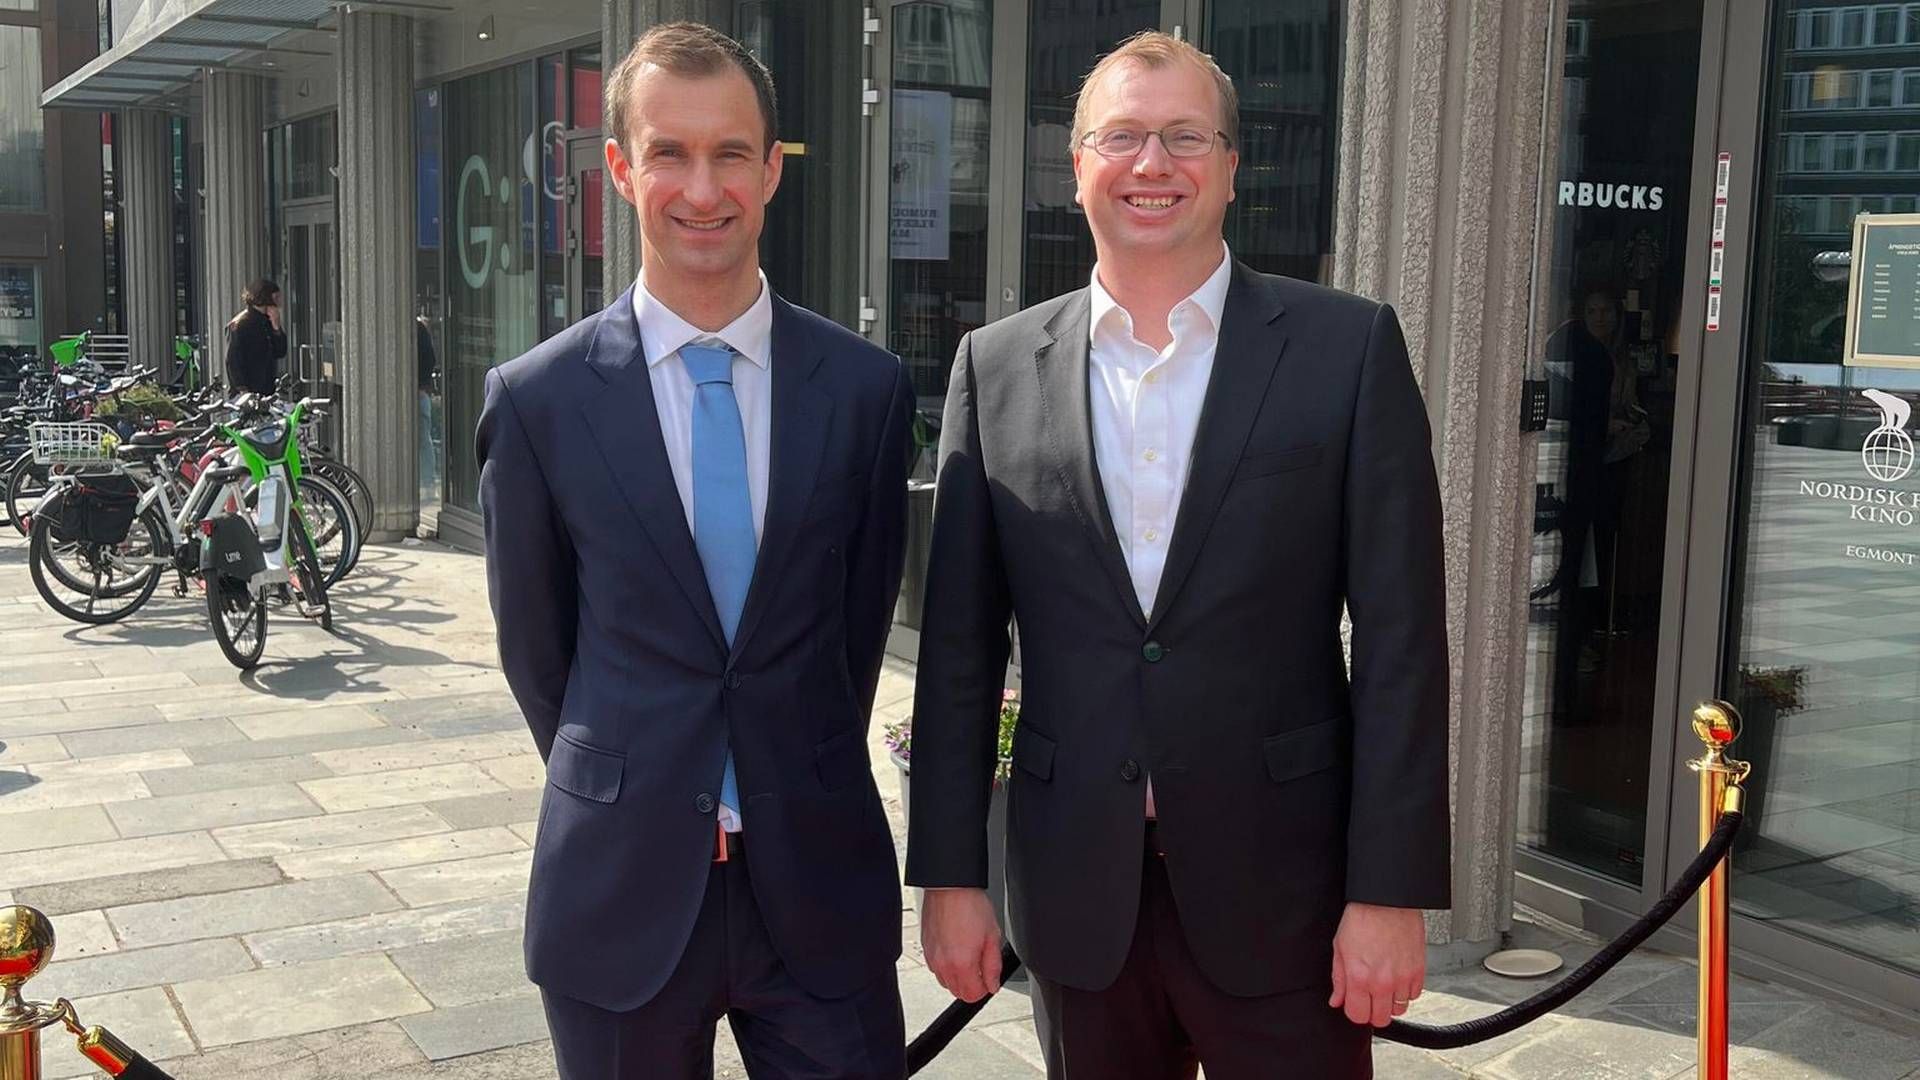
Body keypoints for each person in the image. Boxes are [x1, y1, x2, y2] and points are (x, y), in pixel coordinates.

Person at [904, 31, 1450, 1079]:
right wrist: (953, 876)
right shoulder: (998, 365)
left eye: (1185, 137)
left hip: (1286, 896)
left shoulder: (1347, 350)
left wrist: (1389, 893)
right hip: (1077, 900)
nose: (1153, 165)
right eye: (1122, 137)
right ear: (1076, 168)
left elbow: (1402, 643)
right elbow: (961, 652)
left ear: (1232, 167)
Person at [476, 23, 914, 1080]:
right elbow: (541, 653)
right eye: (669, 152)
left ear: (772, 169)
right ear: (621, 168)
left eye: (730, 154)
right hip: (619, 893)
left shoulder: (863, 391)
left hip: (816, 889)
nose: (702, 188)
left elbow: (856, 636)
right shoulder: (538, 402)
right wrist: (639, 780)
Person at [223, 278, 285, 395]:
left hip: (266, 389)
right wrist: (242, 389)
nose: (279, 303)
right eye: (276, 298)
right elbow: (233, 360)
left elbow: (280, 351)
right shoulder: (241, 324)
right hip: (247, 392)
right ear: (265, 298)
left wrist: (277, 327)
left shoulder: (267, 322)